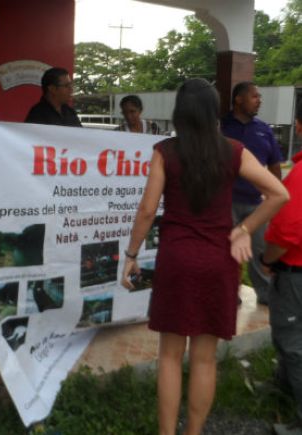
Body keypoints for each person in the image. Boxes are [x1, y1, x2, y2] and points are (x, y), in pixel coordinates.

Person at [121, 78, 288, 435]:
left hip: (177, 261)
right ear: (214, 110)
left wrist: (131, 255)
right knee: (204, 359)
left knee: (169, 356)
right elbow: (279, 193)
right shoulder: (234, 150)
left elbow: (147, 211)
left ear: (180, 112)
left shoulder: (165, 151)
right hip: (218, 262)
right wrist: (243, 229)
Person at [221, 81, 283, 305]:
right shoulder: (221, 127)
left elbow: (274, 165)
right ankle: (229, 295)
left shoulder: (264, 129)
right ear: (239, 99)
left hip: (257, 204)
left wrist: (274, 197)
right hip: (226, 202)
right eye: (255, 96)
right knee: (228, 252)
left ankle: (266, 298)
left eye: (260, 97)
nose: (259, 101)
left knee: (259, 251)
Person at [262, 100, 302, 435]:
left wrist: (267, 259)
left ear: (299, 126)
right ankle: (284, 387)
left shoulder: (300, 175)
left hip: (295, 273)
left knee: (292, 342)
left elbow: (288, 232)